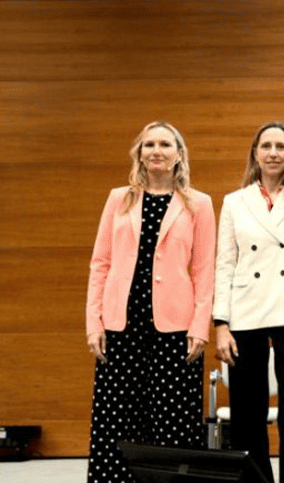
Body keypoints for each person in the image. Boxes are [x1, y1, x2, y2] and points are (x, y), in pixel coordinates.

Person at [85, 121, 215, 483]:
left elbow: (205, 271)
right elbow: (101, 263)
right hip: (121, 327)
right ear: (139, 154)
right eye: (148, 144)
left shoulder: (199, 204)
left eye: (165, 144)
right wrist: (94, 323)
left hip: (175, 330)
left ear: (178, 155)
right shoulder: (118, 199)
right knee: (117, 421)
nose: (156, 150)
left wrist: (199, 326)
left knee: (171, 421)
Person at [212, 121, 284, 483]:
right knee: (248, 411)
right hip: (244, 312)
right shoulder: (234, 201)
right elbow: (225, 263)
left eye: (281, 147)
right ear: (255, 154)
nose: (274, 153)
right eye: (267, 146)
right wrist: (221, 324)